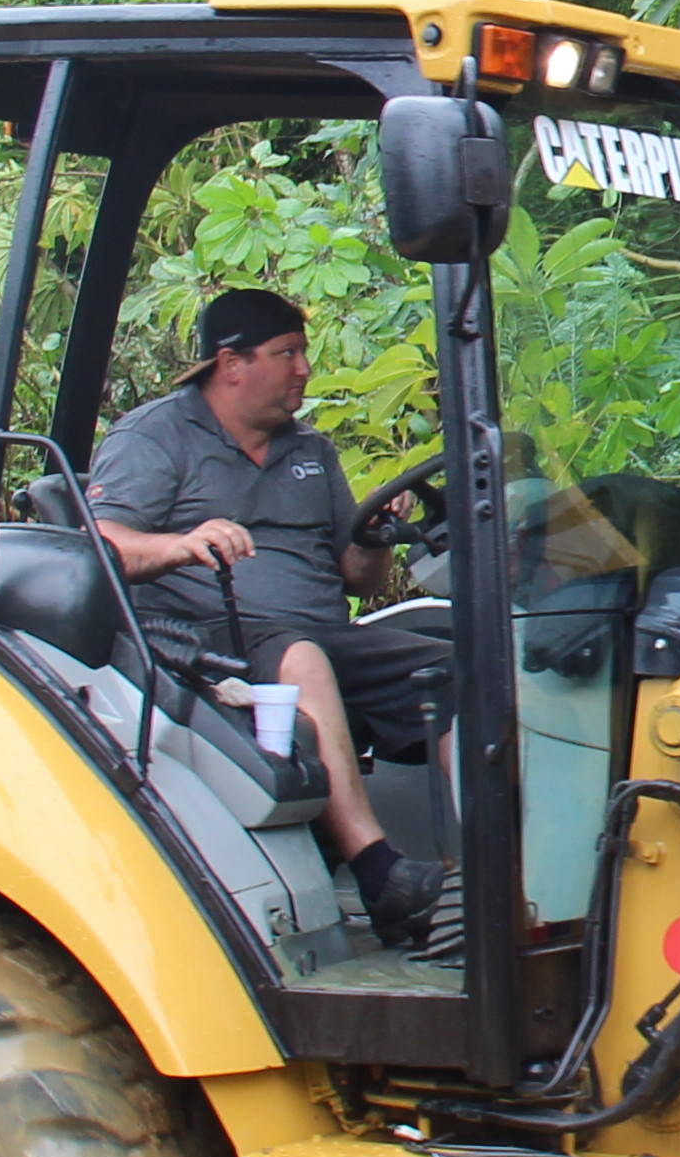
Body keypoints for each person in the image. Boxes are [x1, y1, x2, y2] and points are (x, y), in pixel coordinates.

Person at [86, 286, 448, 954]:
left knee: (458, 669)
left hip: (321, 630)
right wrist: (180, 543)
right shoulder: (156, 437)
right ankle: (379, 872)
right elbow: (101, 545)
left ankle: (480, 873)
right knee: (301, 656)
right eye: (287, 354)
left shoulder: (310, 450)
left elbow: (354, 580)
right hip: (206, 641)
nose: (304, 369)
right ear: (231, 364)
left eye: (302, 353)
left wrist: (372, 541)